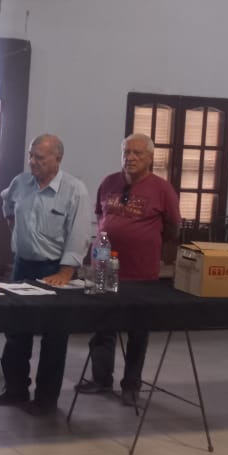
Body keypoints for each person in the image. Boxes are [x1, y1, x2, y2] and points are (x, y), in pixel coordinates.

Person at [0, 134, 93, 415]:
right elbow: (7, 207)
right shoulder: (20, 183)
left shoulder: (75, 190)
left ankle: (46, 399)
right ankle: (15, 390)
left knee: (54, 337)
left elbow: (80, 234)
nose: (32, 162)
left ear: (58, 159)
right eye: (31, 155)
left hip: (55, 270)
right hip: (23, 266)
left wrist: (66, 271)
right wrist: (19, 236)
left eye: (40, 157)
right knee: (16, 331)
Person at [76, 133, 180, 406]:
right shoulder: (109, 182)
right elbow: (100, 215)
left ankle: (131, 385)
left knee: (137, 330)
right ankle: (101, 379)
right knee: (103, 325)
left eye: (137, 153)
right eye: (126, 152)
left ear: (150, 158)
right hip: (104, 265)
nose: (130, 158)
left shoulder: (162, 189)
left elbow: (173, 228)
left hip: (141, 271)